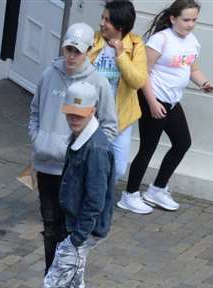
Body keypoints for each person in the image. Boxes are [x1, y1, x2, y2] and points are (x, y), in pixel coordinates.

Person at [22, 24, 112, 288]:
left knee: (74, 234)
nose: (71, 55)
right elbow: (35, 111)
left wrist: (85, 156)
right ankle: (50, 287)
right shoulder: (49, 74)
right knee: (51, 230)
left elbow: (109, 125)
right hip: (47, 167)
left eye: (77, 50)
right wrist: (38, 141)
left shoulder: (98, 83)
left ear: (87, 51)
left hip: (74, 171)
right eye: (68, 49)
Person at [34, 78, 115, 288]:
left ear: (92, 111)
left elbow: (95, 198)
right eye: (70, 113)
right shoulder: (84, 138)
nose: (72, 119)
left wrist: (78, 237)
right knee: (74, 286)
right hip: (76, 227)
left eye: (79, 115)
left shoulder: (96, 148)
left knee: (53, 285)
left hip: (80, 230)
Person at [120, 0, 213, 215]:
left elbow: (193, 69)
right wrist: (153, 103)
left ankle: (157, 189)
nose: (190, 24)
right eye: (186, 20)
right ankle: (130, 195)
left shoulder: (192, 41)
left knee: (183, 143)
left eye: (194, 20)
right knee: (148, 147)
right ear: (173, 19)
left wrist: (205, 83)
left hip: (172, 101)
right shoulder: (160, 40)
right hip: (153, 99)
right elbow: (143, 72)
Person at [86, 0, 146, 183]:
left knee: (118, 169)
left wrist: (121, 55)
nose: (101, 23)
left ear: (120, 26)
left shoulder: (136, 46)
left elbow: (138, 81)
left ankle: (96, 197)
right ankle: (91, 203)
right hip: (90, 116)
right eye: (102, 18)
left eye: (107, 20)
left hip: (121, 117)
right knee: (88, 163)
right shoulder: (92, 40)